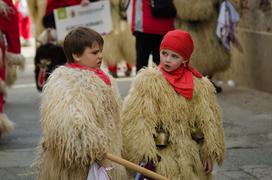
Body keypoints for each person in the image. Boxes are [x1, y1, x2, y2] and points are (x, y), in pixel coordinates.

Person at [121, 29, 225, 179]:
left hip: (191, 155)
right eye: (164, 53)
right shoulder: (148, 82)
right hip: (161, 155)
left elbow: (209, 121)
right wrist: (145, 153)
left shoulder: (200, 85)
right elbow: (136, 119)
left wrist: (207, 152)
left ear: (185, 59)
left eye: (174, 56)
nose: (167, 59)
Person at [36, 27, 127, 180]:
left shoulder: (102, 77)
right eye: (94, 52)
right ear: (77, 55)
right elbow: (69, 123)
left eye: (100, 51)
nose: (100, 56)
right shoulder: (67, 83)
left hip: (107, 155)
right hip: (81, 165)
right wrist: (92, 145)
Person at [130, 0, 175, 72]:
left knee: (142, 66)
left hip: (144, 27)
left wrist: (133, 28)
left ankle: (141, 83)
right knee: (163, 65)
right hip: (166, 26)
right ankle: (163, 83)